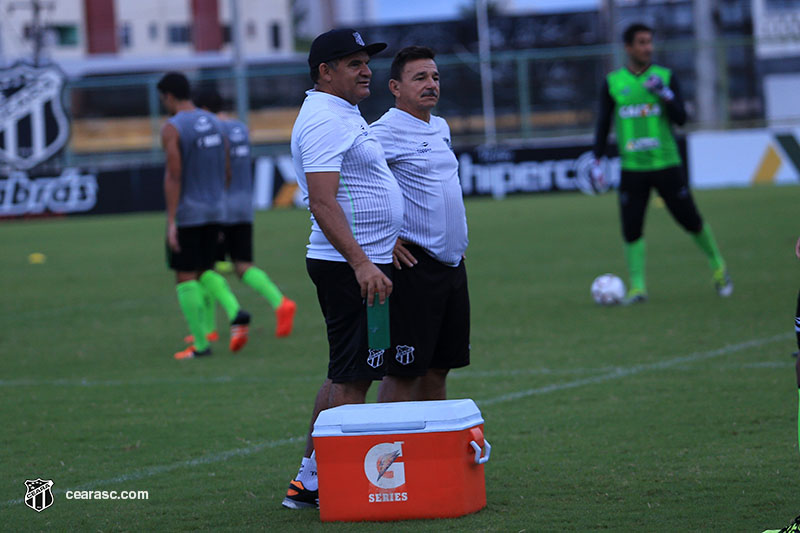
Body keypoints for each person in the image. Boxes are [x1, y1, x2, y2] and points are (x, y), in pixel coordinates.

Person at [283, 28, 402, 510]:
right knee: (353, 380)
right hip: (347, 266)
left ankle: (310, 479)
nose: (366, 69)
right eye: (353, 63)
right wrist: (361, 263)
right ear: (324, 72)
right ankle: (339, 483)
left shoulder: (341, 111)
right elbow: (322, 200)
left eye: (366, 61)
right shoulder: (324, 119)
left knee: (345, 374)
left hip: (361, 261)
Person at [592, 23, 733, 303]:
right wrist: (597, 158)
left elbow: (681, 118)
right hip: (633, 168)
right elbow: (603, 123)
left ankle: (718, 267)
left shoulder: (665, 77)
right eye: (641, 43)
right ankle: (638, 288)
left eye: (649, 42)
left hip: (666, 164)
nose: (648, 48)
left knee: (690, 220)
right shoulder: (613, 82)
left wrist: (665, 95)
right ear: (628, 48)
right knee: (631, 228)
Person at [370, 46, 470, 402]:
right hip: (413, 267)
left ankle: (432, 451)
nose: (431, 84)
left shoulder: (440, 127)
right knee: (403, 371)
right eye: (420, 78)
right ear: (395, 87)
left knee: (439, 366)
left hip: (453, 264)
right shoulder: (382, 133)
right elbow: (345, 184)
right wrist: (382, 239)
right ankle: (388, 451)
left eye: (435, 77)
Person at [157, 72, 251, 360]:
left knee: (185, 276)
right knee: (205, 270)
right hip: (216, 209)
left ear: (169, 96)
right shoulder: (214, 121)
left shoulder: (172, 127)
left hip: (190, 211)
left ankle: (200, 345)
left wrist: (172, 221)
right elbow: (227, 169)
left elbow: (174, 175)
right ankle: (236, 312)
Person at [192, 89, 297, 340]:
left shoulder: (211, 131)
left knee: (203, 268)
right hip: (244, 204)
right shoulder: (239, 127)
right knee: (243, 265)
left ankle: (209, 330)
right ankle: (280, 302)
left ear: (203, 109)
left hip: (220, 207)